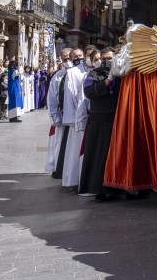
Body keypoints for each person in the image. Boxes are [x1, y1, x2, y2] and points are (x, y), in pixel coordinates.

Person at [78, 47, 128, 199]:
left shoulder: (122, 75)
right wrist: (108, 80)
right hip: (99, 123)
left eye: (110, 58)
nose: (106, 61)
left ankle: (119, 187)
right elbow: (89, 92)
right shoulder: (93, 74)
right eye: (103, 58)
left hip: (117, 121)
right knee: (99, 157)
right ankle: (99, 189)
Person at [57, 49, 88, 188]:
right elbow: (67, 96)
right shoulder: (69, 73)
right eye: (75, 56)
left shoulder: (89, 71)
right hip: (77, 117)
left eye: (80, 55)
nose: (78, 58)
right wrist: (69, 118)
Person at [46, 50, 72, 178]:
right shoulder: (58, 76)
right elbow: (52, 97)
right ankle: (59, 169)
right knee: (59, 145)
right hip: (62, 117)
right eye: (65, 58)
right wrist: (55, 116)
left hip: (75, 118)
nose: (68, 61)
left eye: (69, 58)